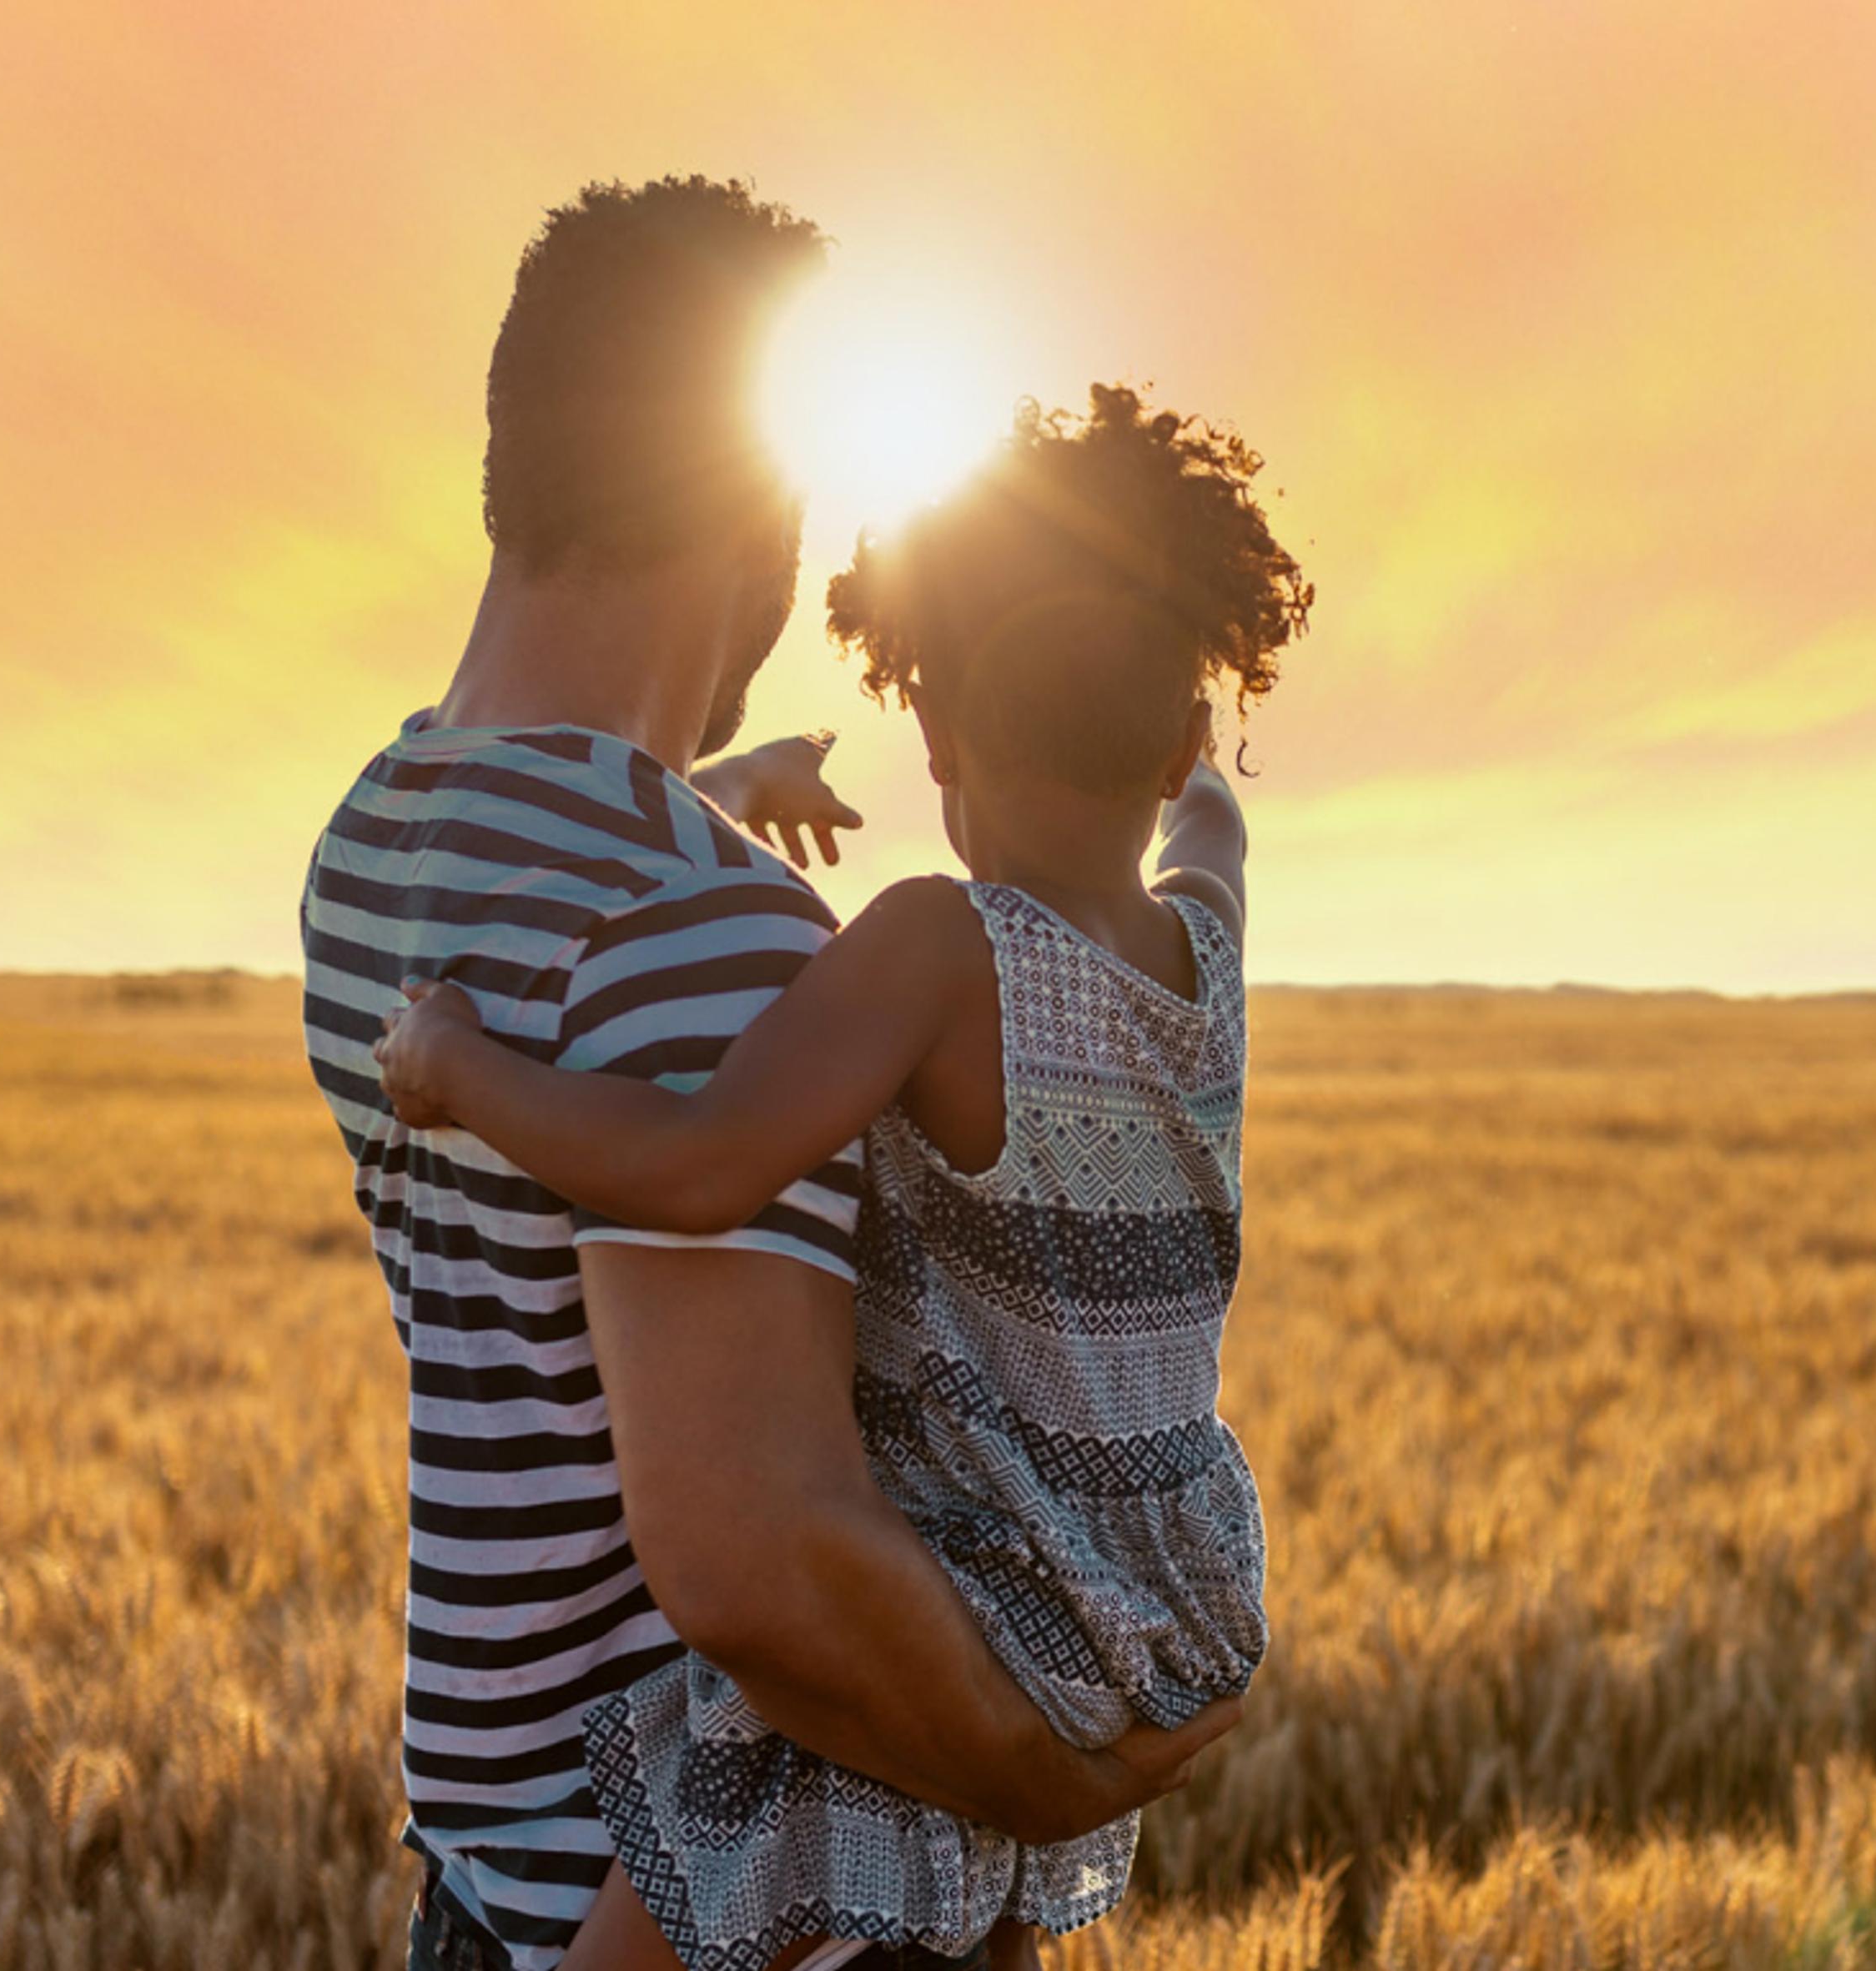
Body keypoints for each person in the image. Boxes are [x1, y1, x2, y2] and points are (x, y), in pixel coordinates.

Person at [298, 178, 1237, 1971]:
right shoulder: (704, 928)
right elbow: (749, 1559)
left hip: (490, 1876)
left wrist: (719, 791)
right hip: (752, 1919)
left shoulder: (383, 842)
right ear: (752, 501)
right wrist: (1048, 1784)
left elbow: (579, 952)